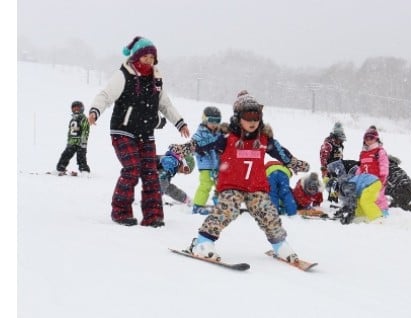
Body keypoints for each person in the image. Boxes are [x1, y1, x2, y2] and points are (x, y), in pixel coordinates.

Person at [185, 91, 310, 262]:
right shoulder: (227, 136)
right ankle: (202, 242)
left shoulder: (264, 138)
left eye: (256, 116)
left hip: (256, 186)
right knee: (227, 209)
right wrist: (187, 148)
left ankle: (280, 245)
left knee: (268, 213)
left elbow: (281, 153)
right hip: (232, 184)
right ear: (238, 116)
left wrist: (293, 162)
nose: (252, 122)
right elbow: (204, 144)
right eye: (247, 116)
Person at [87, 36, 190, 227]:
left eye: (152, 57)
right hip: (122, 130)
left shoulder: (156, 79)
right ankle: (120, 212)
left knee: (151, 174)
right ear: (136, 57)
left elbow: (165, 104)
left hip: (146, 133)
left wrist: (180, 123)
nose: (149, 60)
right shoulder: (124, 75)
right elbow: (106, 95)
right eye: (145, 56)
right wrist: (95, 111)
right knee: (132, 168)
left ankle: (153, 217)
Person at [191, 106, 223, 215]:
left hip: (217, 165)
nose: (214, 124)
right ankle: (197, 205)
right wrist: (201, 148)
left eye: (217, 121)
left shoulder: (219, 133)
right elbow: (194, 146)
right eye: (211, 121)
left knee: (220, 184)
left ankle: (220, 204)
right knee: (206, 185)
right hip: (205, 165)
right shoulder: (200, 133)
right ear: (205, 120)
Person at [356, 126, 388, 217]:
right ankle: (364, 214)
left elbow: (384, 166)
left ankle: (382, 213)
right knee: (364, 197)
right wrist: (357, 178)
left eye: (371, 138)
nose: (369, 140)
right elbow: (361, 167)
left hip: (376, 180)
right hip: (365, 180)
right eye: (366, 138)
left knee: (378, 197)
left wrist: (383, 179)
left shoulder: (380, 151)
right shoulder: (363, 153)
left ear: (376, 139)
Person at [55, 101, 91, 176]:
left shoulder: (83, 118)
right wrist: (69, 141)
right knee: (65, 155)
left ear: (82, 109)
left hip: (80, 142)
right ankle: (60, 168)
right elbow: (70, 131)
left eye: (78, 108)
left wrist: (83, 142)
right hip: (72, 142)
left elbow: (85, 130)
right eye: (74, 109)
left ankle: (85, 171)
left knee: (81, 157)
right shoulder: (73, 119)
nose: (76, 110)